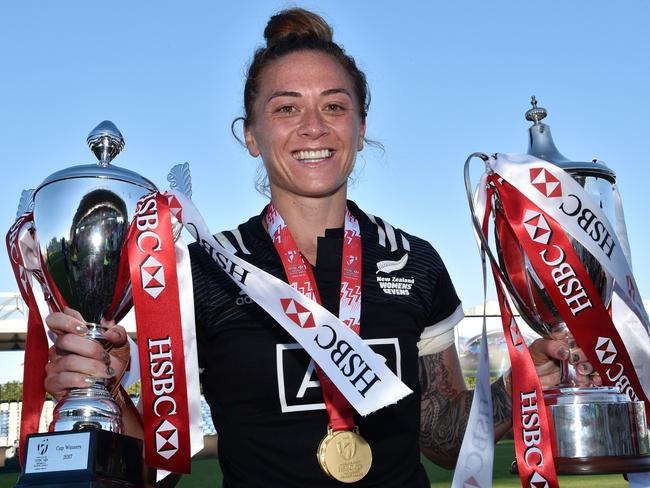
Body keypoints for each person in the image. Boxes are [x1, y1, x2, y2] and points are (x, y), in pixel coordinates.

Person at [43, 7, 599, 487]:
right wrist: (102, 387)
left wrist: (531, 379)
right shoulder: (201, 270)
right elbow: (151, 467)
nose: (313, 127)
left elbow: (443, 436)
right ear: (251, 135)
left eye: (334, 106)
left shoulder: (415, 261)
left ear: (360, 127)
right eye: (286, 108)